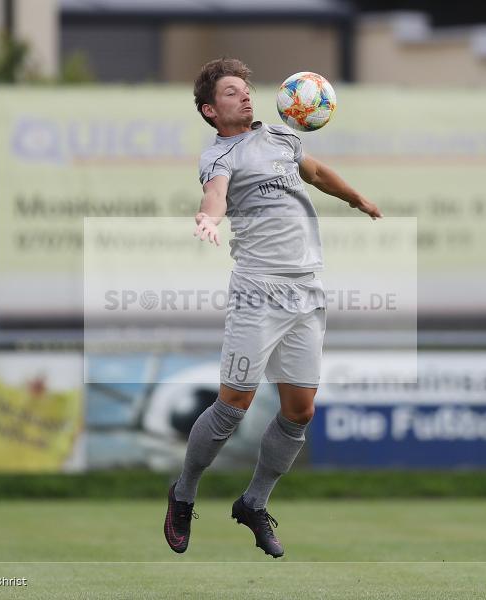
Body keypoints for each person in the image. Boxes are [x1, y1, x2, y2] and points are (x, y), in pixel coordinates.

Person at [164, 57, 382, 558]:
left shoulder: (282, 139)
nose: (245, 96)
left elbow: (318, 172)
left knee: (299, 411)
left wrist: (355, 198)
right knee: (232, 406)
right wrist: (208, 218)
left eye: (246, 89)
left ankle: (253, 502)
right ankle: (183, 492)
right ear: (209, 110)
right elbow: (215, 195)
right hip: (258, 292)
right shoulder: (220, 155)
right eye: (231, 92)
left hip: (306, 291)